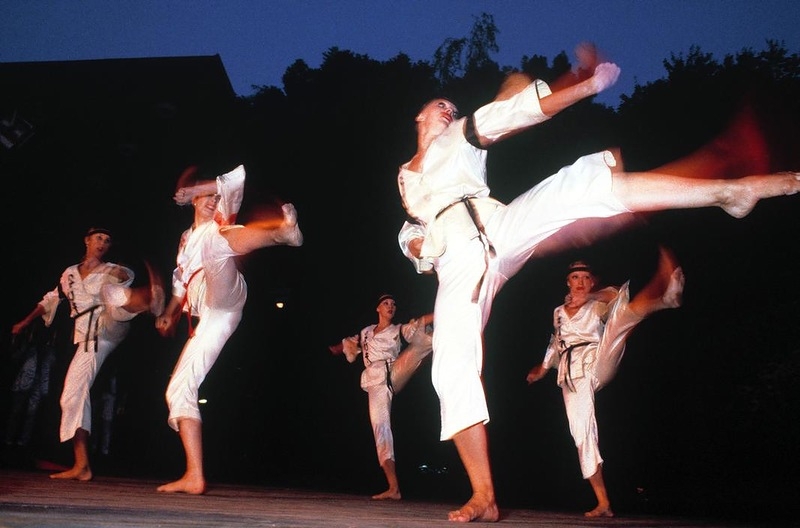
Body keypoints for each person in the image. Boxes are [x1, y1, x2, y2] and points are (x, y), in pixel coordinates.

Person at [395, 47, 800, 521]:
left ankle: (728, 192)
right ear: (418, 116)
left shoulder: (457, 141)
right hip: (460, 262)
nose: (450, 109)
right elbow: (411, 230)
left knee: (582, 185)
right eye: (440, 104)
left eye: (453, 107)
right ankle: (483, 495)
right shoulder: (405, 178)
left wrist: (582, 84)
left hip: (500, 227)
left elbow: (508, 116)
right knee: (451, 365)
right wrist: (415, 247)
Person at [154, 164, 303, 495]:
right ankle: (194, 475)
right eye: (204, 196)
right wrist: (168, 314)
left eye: (212, 195)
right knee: (177, 390)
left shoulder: (220, 216)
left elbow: (237, 178)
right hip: (209, 317)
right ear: (193, 204)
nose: (209, 200)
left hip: (226, 295)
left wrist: (195, 188)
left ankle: (282, 234)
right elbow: (179, 285)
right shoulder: (184, 240)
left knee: (215, 240)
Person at [526, 247, 684, 518]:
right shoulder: (558, 312)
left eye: (586, 278)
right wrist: (542, 368)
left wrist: (590, 296)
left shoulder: (596, 301)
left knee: (619, 319)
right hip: (571, 376)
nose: (580, 282)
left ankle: (666, 297)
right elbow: (556, 342)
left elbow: (614, 295)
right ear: (568, 281)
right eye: (576, 277)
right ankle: (603, 502)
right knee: (581, 434)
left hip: (598, 359)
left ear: (592, 281)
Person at [11, 227, 165, 481]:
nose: (103, 243)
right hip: (88, 335)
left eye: (107, 240)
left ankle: (149, 301)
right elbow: (50, 300)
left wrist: (122, 273)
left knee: (110, 293)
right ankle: (81, 464)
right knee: (73, 395)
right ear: (87, 240)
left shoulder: (111, 269)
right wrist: (25, 322)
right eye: (99, 238)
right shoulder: (69, 274)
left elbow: (125, 274)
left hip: (107, 325)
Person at [329, 294, 433, 500]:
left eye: (394, 304)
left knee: (422, 338)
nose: (391, 306)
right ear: (378, 308)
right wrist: (336, 349)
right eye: (386, 303)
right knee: (381, 429)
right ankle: (393, 487)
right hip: (376, 382)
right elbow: (350, 343)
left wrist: (441, 310)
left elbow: (420, 322)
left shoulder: (397, 330)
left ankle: (448, 329)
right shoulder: (366, 331)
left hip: (393, 371)